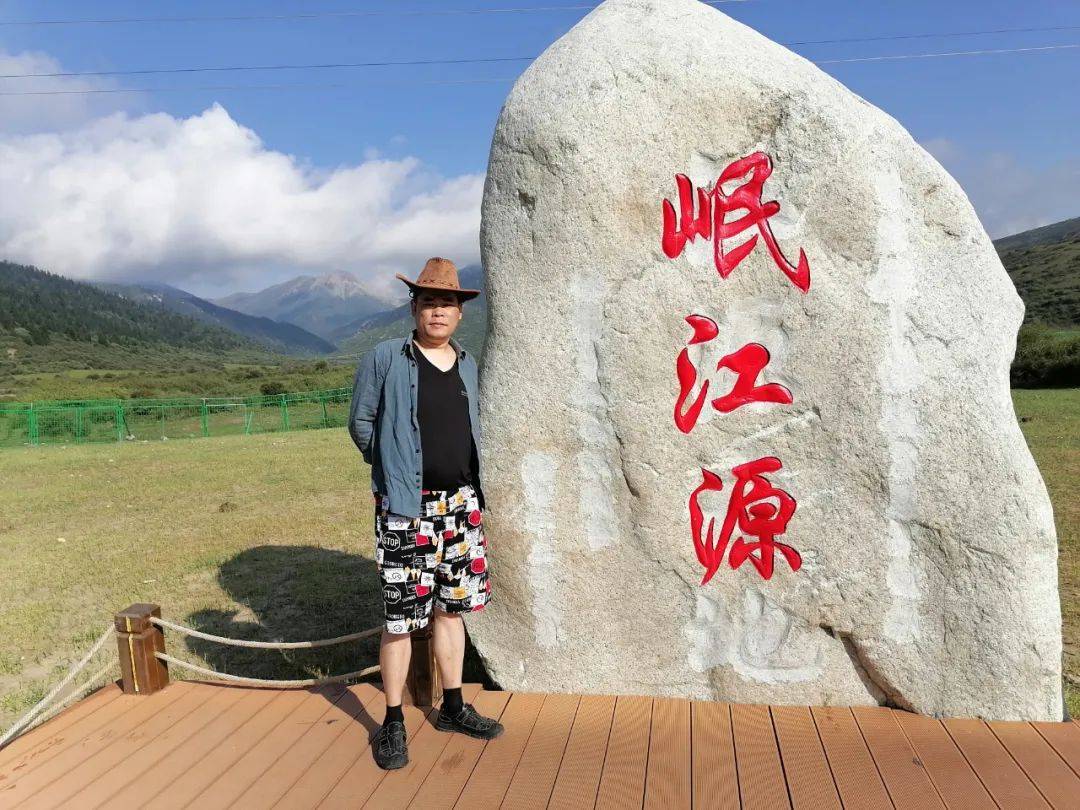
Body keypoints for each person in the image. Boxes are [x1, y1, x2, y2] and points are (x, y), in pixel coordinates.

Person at [347, 256, 504, 771]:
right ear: (414, 308)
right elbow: (361, 423)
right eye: (429, 302)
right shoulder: (386, 358)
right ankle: (392, 720)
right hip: (405, 509)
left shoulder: (467, 363)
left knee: (451, 611)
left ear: (460, 313)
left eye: (447, 304)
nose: (438, 312)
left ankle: (453, 706)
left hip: (462, 505)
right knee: (399, 618)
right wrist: (393, 466)